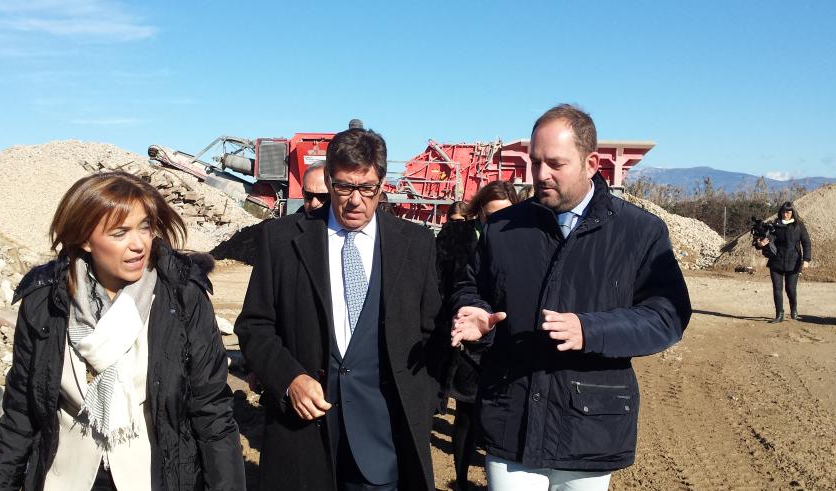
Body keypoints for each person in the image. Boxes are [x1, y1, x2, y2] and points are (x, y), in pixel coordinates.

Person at [449, 104, 692, 491]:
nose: (541, 175)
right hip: (512, 420)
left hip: (589, 427)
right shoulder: (503, 228)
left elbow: (667, 315)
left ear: (591, 163)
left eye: (555, 164)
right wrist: (476, 312)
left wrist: (591, 330)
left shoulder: (639, 233)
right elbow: (471, 287)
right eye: (535, 162)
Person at [0, 171, 245, 491]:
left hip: (153, 477)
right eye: (120, 233)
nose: (139, 244)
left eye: (145, 227)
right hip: (67, 478)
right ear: (85, 239)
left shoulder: (182, 299)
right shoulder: (43, 302)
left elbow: (213, 413)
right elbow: (21, 416)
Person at [235, 128, 444, 491]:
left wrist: (422, 403)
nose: (356, 201)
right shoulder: (282, 240)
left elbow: (431, 333)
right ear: (329, 182)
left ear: (383, 184)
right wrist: (289, 379)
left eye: (368, 188)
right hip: (302, 437)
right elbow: (255, 325)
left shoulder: (416, 244)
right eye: (345, 187)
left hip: (382, 441)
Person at [435, 181, 518, 491]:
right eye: (491, 215)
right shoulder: (462, 241)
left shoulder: (524, 243)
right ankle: (462, 478)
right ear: (480, 213)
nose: (498, 222)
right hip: (471, 341)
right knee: (468, 413)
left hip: (508, 342)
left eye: (506, 214)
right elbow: (449, 284)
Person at [757, 201, 812, 322]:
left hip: (794, 262)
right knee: (777, 288)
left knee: (790, 289)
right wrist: (760, 244)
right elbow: (762, 240)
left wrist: (806, 259)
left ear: (792, 213)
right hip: (776, 261)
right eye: (783, 212)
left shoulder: (799, 226)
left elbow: (806, 243)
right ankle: (779, 315)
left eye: (788, 212)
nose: (785, 214)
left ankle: (794, 309)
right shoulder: (774, 226)